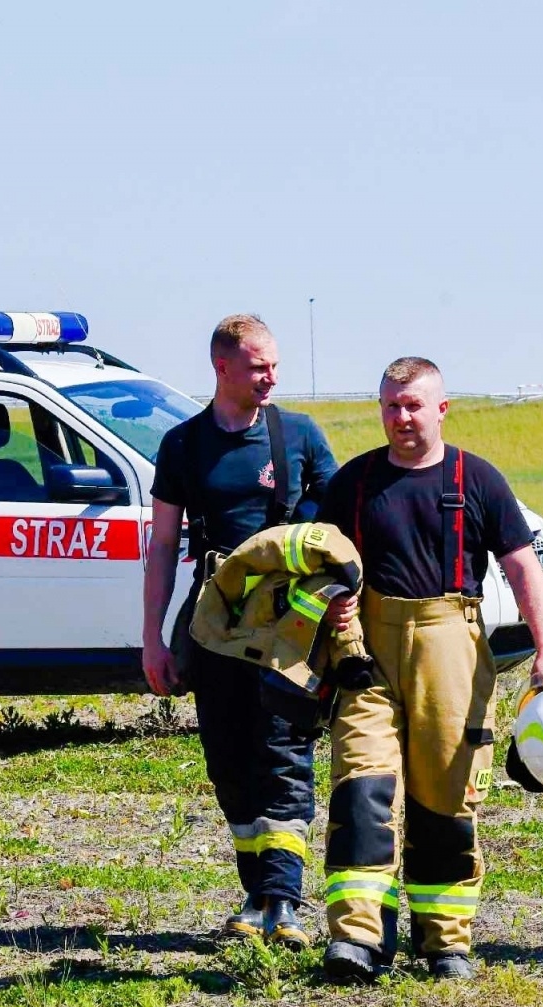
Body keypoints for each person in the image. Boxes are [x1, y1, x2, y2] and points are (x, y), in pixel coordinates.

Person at [316, 357, 543, 983]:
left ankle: (446, 940)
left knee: (446, 798)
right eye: (391, 406)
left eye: (413, 405)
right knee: (361, 788)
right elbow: (315, 566)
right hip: (367, 653)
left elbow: (522, 568)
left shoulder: (477, 480)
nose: (401, 418)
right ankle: (357, 937)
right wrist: (331, 611)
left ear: (441, 409)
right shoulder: (354, 482)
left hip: (450, 646)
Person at [142, 314, 338, 948]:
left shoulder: (299, 436)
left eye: (274, 365)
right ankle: (256, 894)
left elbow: (339, 525)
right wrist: (154, 639)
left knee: (283, 750)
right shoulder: (182, 445)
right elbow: (163, 543)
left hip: (287, 625)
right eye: (258, 366)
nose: (270, 376)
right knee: (228, 758)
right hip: (212, 622)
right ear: (221, 368)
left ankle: (285, 899)